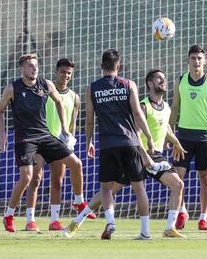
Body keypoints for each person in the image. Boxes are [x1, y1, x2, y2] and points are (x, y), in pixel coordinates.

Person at [64, 69, 188, 239]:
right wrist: (145, 157)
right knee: (109, 191)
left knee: (177, 185)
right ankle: (77, 220)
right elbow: (135, 133)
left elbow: (165, 127)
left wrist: (176, 142)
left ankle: (170, 228)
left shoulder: (165, 106)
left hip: (155, 155)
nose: (163, 81)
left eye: (164, 78)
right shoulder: (143, 106)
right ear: (150, 83)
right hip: (138, 153)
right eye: (159, 78)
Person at [68, 49, 154, 240]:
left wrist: (88, 141)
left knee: (106, 188)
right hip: (131, 142)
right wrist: (148, 136)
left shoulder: (92, 88)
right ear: (119, 66)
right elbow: (138, 113)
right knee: (139, 188)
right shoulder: (128, 84)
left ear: (101, 66)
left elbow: (89, 119)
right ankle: (145, 231)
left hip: (108, 144)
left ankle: (111, 220)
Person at [0, 53, 83, 233]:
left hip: (45, 136)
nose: (34, 68)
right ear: (22, 69)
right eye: (30, 66)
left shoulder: (46, 84)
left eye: (36, 65)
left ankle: (79, 201)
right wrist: (3, 135)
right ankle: (9, 215)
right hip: (25, 139)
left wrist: (65, 129)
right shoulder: (12, 88)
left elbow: (59, 102)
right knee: (28, 177)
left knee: (76, 164)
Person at [24, 58, 96, 232]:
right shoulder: (45, 90)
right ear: (56, 72)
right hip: (41, 141)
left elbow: (73, 123)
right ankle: (30, 220)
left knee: (58, 181)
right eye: (63, 72)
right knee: (35, 179)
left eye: (69, 73)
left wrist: (75, 140)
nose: (66, 75)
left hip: (59, 143)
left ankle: (54, 220)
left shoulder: (74, 97)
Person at [169, 45, 207, 231]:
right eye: (193, 58)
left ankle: (203, 218)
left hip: (205, 136)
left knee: (205, 178)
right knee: (177, 178)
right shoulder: (181, 81)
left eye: (200, 58)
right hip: (183, 136)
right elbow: (175, 107)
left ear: (205, 61)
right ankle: (182, 211)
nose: (196, 62)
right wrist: (169, 132)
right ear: (188, 61)